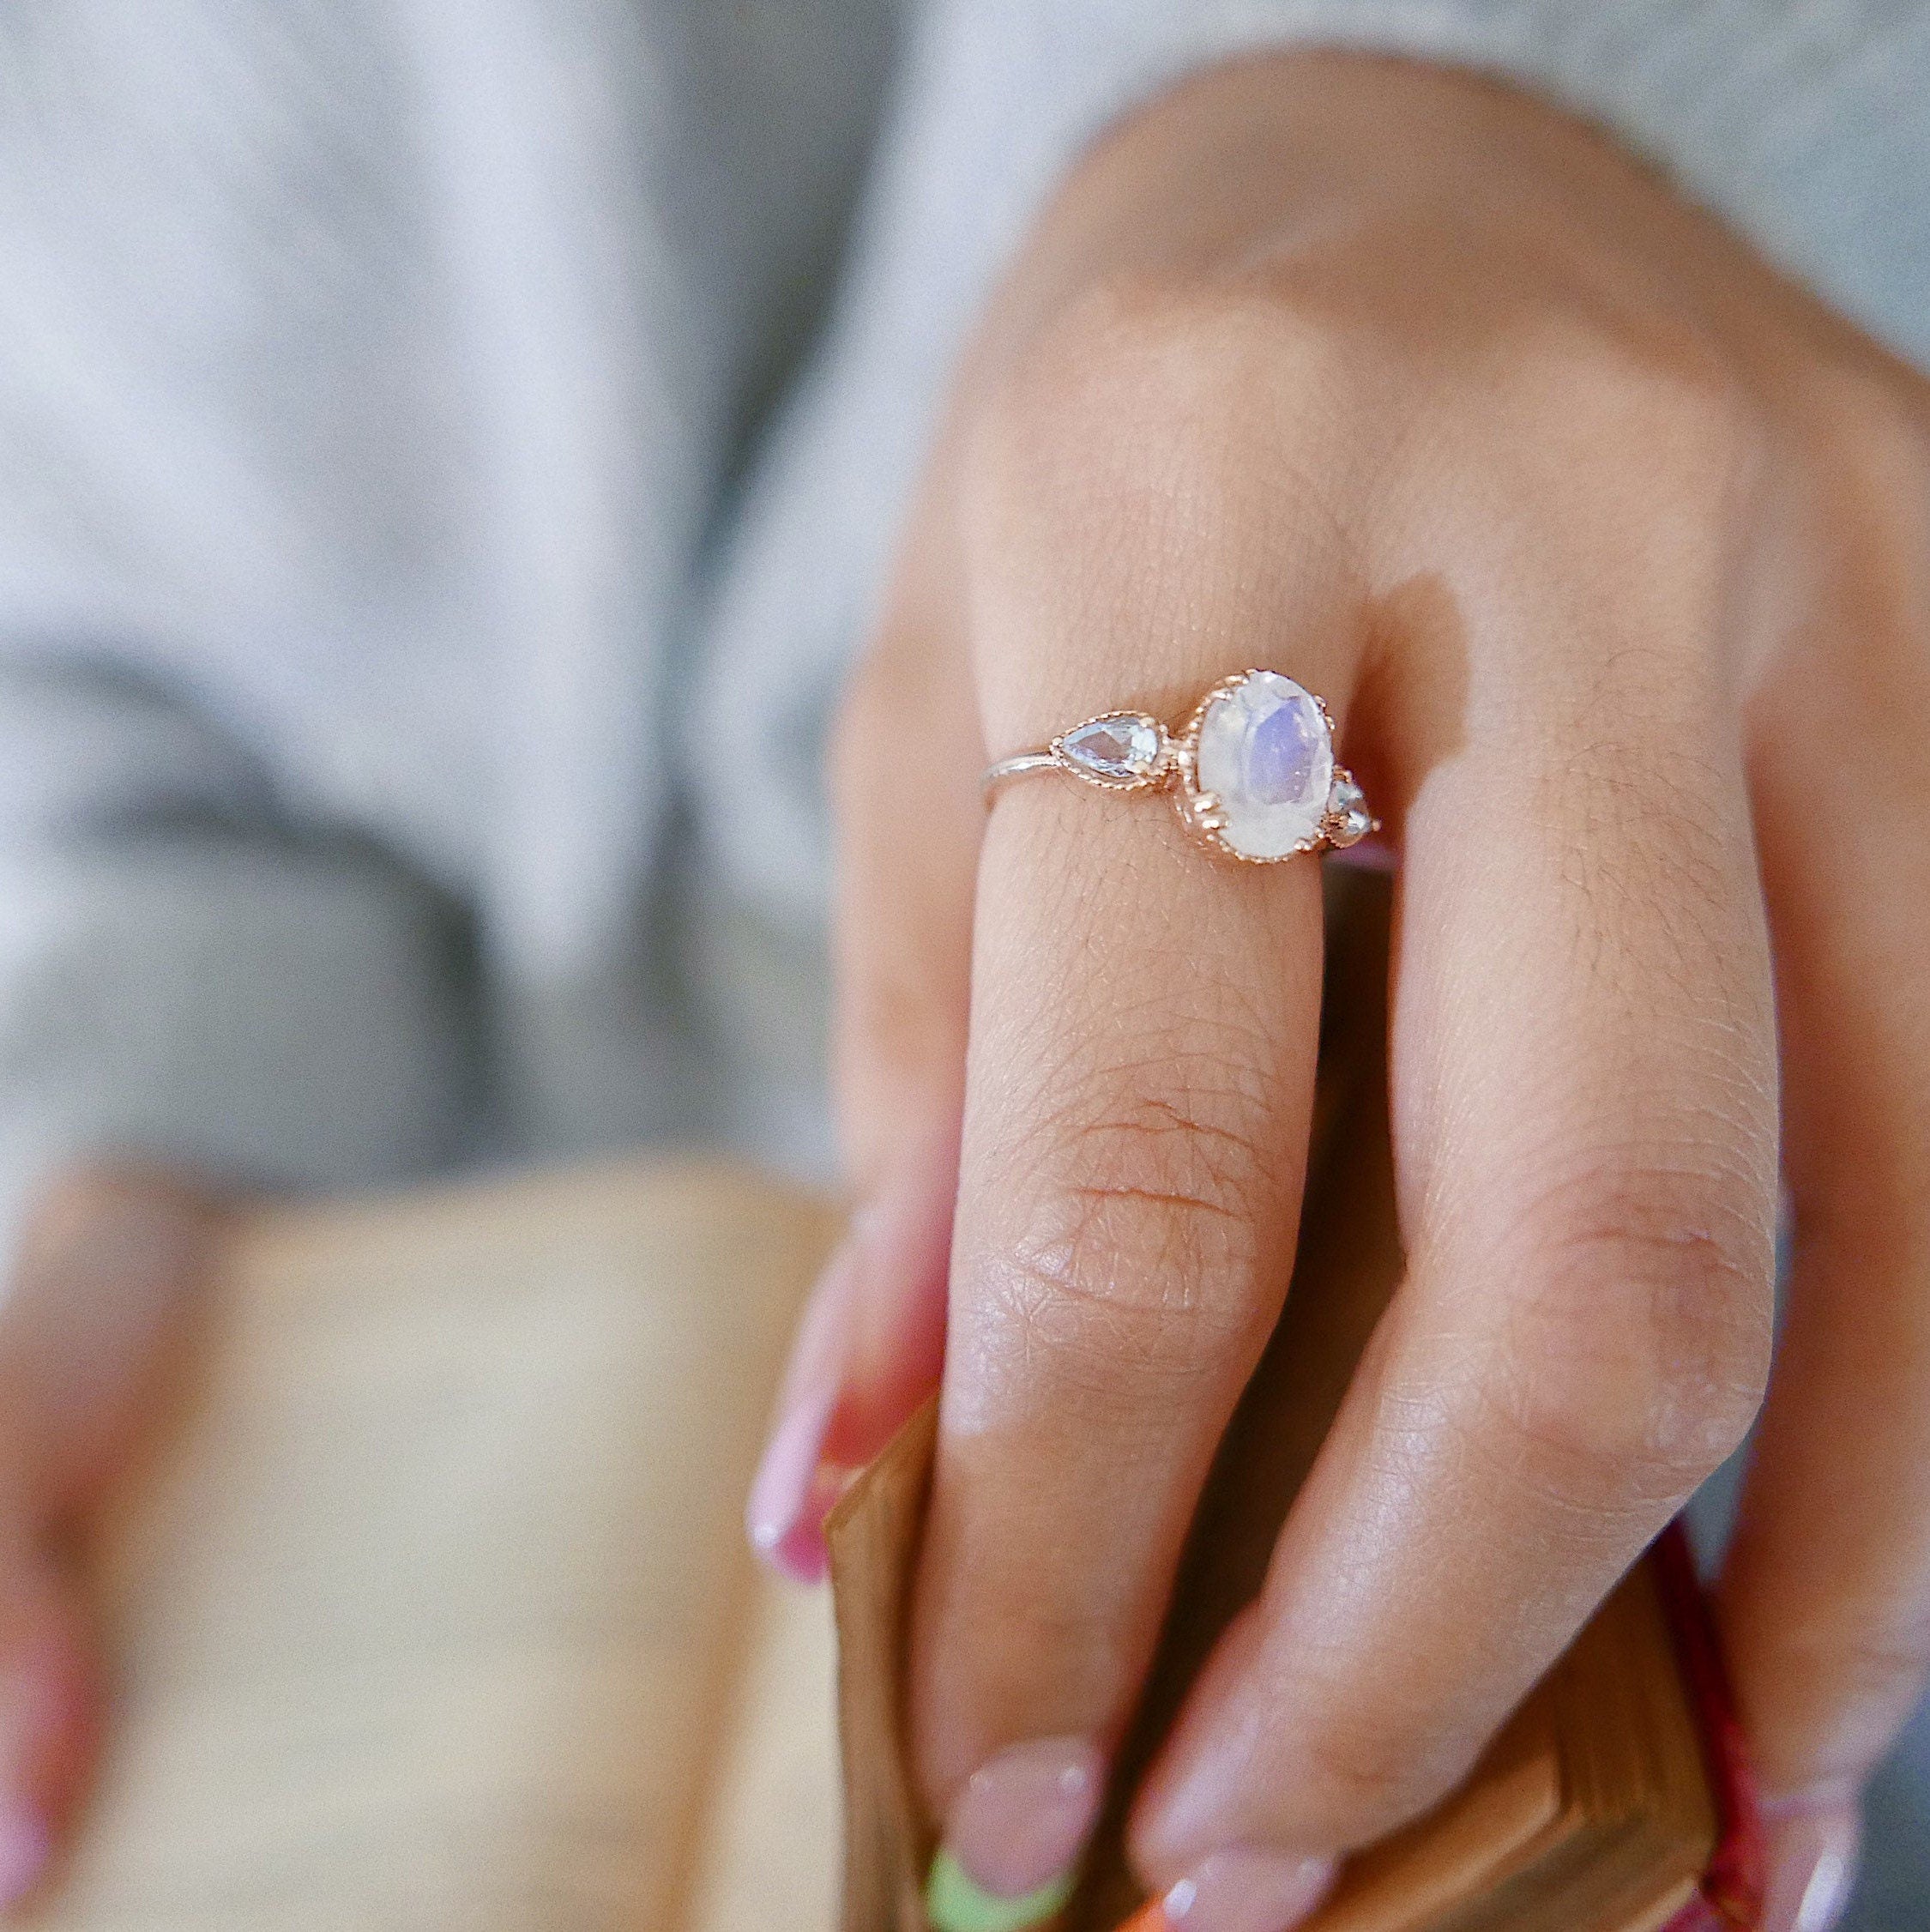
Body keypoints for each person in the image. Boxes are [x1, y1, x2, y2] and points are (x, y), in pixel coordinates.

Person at [0, 7, 1925, 1930]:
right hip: (427, 1376)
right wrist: (131, 1143)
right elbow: (127, 654)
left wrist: (1454, 105)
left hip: (1631, 1109)